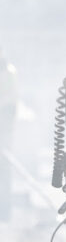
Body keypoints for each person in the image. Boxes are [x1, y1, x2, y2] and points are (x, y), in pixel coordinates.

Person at [0, 55, 17, 222]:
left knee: (4, 169)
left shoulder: (8, 73)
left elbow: (9, 104)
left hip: (3, 126)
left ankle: (4, 211)